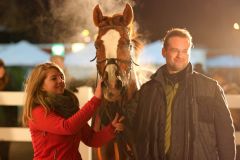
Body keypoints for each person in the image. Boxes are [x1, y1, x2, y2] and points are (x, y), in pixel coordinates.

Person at [125, 28, 236, 160]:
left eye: (184, 51)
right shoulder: (147, 91)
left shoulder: (210, 89)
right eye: (175, 50)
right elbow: (127, 121)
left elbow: (225, 135)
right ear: (164, 52)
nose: (180, 55)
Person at [22, 62, 124, 160]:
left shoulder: (70, 107)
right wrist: (95, 100)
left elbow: (91, 139)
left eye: (61, 77)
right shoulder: (37, 111)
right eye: (54, 78)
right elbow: (67, 127)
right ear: (41, 86)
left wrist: (111, 128)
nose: (60, 80)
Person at [0, 59, 19, 160]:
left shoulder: (9, 83)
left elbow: (14, 108)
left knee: (4, 152)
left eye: (2, 67)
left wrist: (13, 122)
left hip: (6, 123)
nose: (1, 69)